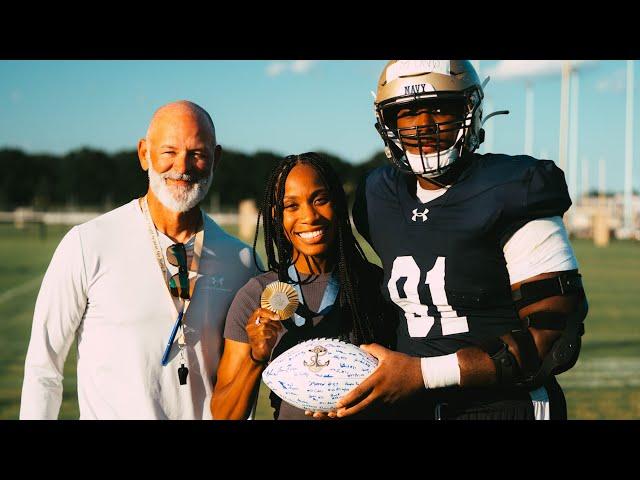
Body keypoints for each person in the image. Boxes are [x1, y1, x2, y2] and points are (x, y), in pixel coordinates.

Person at [339, 60, 588, 420]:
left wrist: (422, 374)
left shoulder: (513, 187)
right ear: (388, 122)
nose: (423, 126)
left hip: (501, 406)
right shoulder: (376, 196)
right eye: (407, 113)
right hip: (410, 408)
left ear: (470, 110)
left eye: (439, 108)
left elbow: (554, 339)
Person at [20, 100, 259, 419]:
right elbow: (43, 370)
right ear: (144, 153)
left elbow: (249, 375)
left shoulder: (242, 261)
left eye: (197, 154)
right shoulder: (87, 244)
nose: (182, 167)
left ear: (215, 158)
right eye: (169, 152)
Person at [211, 152, 396, 420]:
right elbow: (224, 416)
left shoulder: (377, 286)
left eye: (320, 200)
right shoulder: (255, 297)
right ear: (276, 215)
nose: (309, 216)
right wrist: (256, 357)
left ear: (339, 204)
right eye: (291, 206)